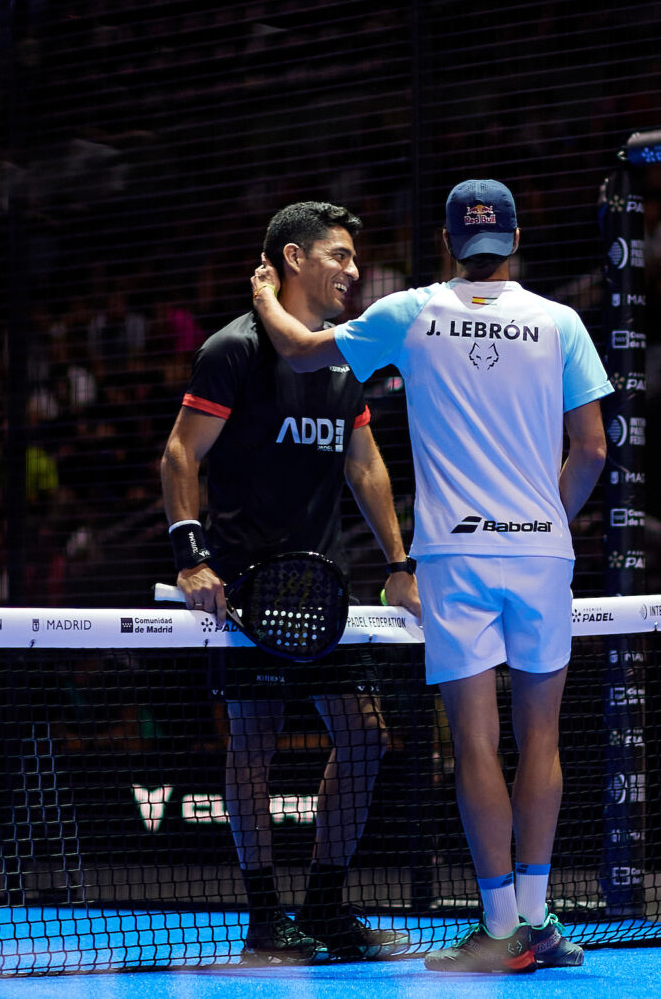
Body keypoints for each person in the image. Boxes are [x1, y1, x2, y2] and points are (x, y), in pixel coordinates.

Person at [246, 179, 611, 972]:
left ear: (448, 243)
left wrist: (268, 296)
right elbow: (593, 451)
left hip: (456, 557)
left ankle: (498, 930)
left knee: (478, 744)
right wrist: (544, 517)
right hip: (544, 553)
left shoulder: (411, 312)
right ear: (514, 241)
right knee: (541, 737)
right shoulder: (563, 323)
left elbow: (298, 351)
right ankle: (540, 923)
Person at [159, 201, 420, 964]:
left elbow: (364, 464)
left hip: (323, 589)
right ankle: (265, 918)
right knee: (255, 740)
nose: (352, 269)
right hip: (243, 587)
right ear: (294, 259)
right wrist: (191, 556)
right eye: (337, 255)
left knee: (365, 735)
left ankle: (327, 908)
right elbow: (180, 455)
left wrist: (399, 567)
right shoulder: (233, 351)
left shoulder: (341, 357)